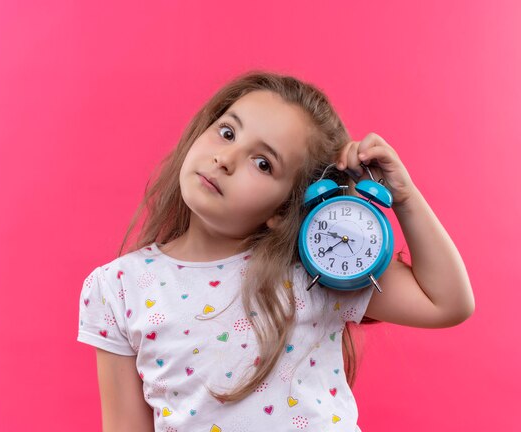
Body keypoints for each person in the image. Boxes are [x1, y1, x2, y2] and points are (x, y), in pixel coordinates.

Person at [77, 70, 475, 432]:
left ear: (285, 210)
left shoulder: (314, 268)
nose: (225, 159)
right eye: (228, 132)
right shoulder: (119, 288)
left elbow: (446, 303)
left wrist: (404, 198)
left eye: (264, 163)